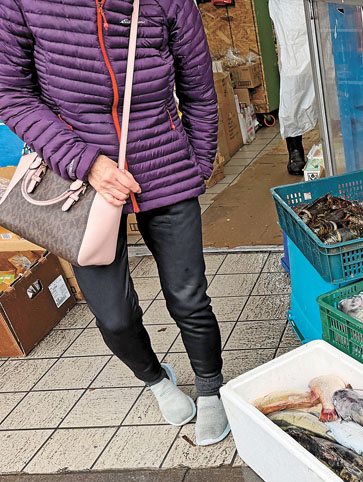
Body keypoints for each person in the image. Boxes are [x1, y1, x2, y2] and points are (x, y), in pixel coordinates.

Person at [0, 0, 230, 446]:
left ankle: (210, 388)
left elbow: (199, 89)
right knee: (114, 315)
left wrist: (199, 165)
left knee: (189, 299)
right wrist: (85, 162)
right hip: (78, 181)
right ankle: (157, 379)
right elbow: (12, 93)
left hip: (163, 165)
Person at [269, 0, 318, 175]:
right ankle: (295, 149)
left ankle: (340, 140)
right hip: (291, 10)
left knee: (332, 69)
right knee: (293, 76)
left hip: (325, 8)